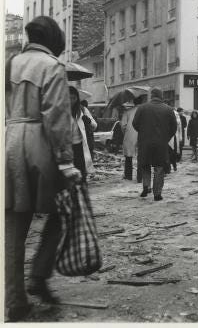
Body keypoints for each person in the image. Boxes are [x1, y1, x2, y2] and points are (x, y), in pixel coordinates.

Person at [5, 16, 82, 321]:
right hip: (40, 144)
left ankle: (13, 301)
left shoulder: (10, 63)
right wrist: (66, 161)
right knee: (60, 212)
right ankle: (38, 274)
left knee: (12, 226)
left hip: (9, 141)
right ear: (55, 41)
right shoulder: (52, 66)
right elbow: (57, 116)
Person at [132, 88, 177, 201]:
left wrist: (143, 133)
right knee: (159, 167)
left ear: (152, 95)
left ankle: (146, 187)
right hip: (161, 143)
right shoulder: (168, 109)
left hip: (145, 142)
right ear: (161, 96)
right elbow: (174, 127)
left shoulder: (142, 108)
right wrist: (166, 138)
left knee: (145, 165)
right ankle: (157, 193)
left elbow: (135, 123)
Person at [69, 86, 97, 182]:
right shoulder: (61, 111)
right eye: (69, 98)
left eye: (74, 98)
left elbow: (94, 126)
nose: (71, 101)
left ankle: (82, 192)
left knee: (81, 175)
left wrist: (88, 121)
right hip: (67, 148)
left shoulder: (82, 110)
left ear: (77, 98)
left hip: (80, 147)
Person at [121, 96, 143, 181]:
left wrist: (125, 133)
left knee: (128, 156)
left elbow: (123, 125)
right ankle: (140, 177)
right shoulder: (144, 111)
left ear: (133, 102)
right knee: (141, 157)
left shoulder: (127, 112)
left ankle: (128, 175)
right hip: (142, 135)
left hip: (130, 135)